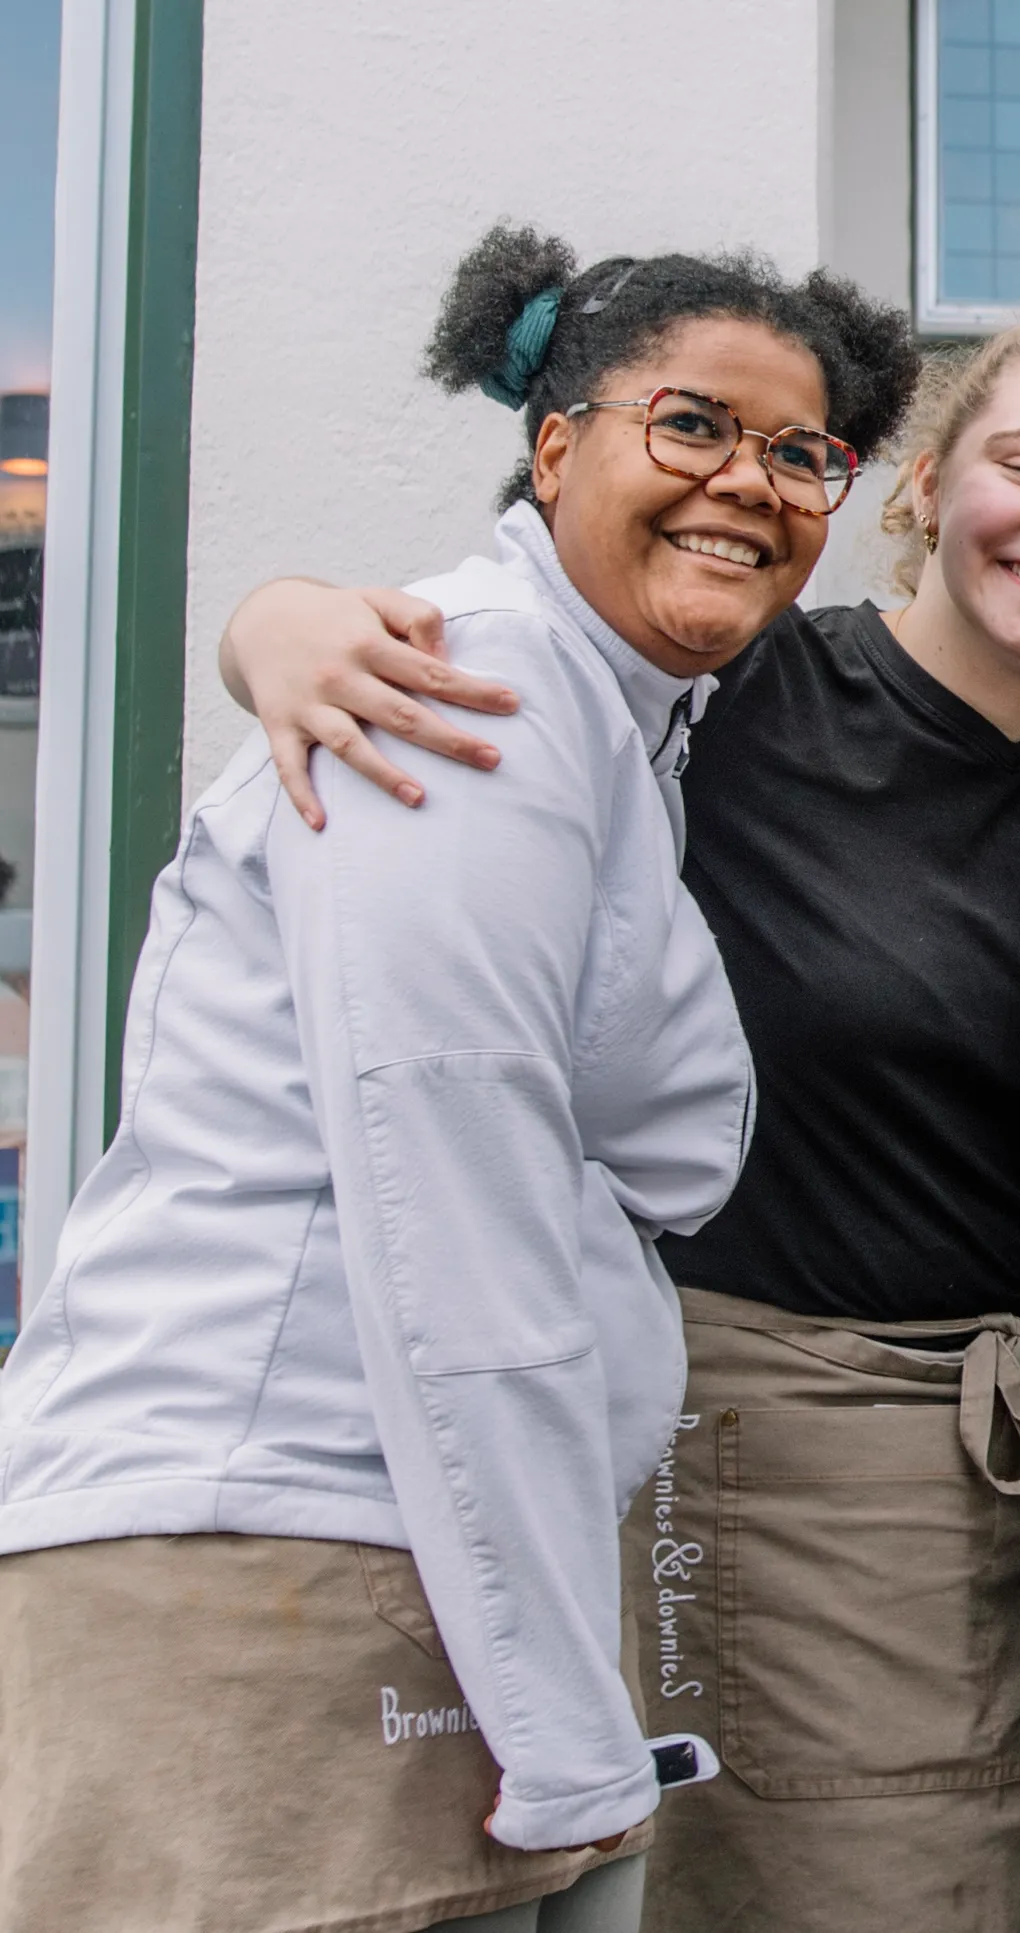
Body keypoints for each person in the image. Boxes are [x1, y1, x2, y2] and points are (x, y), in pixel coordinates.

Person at [212, 313, 1020, 1933]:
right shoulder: (748, 693)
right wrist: (274, 622)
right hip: (794, 1454)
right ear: (926, 485)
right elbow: (509, 646)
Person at [0, 226, 913, 1933]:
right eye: (693, 423)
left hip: (406, 1552)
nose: (753, 481)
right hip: (281, 1553)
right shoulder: (468, 698)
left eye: (804, 454)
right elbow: (456, 1221)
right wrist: (571, 1737)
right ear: (555, 446)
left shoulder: (617, 714)